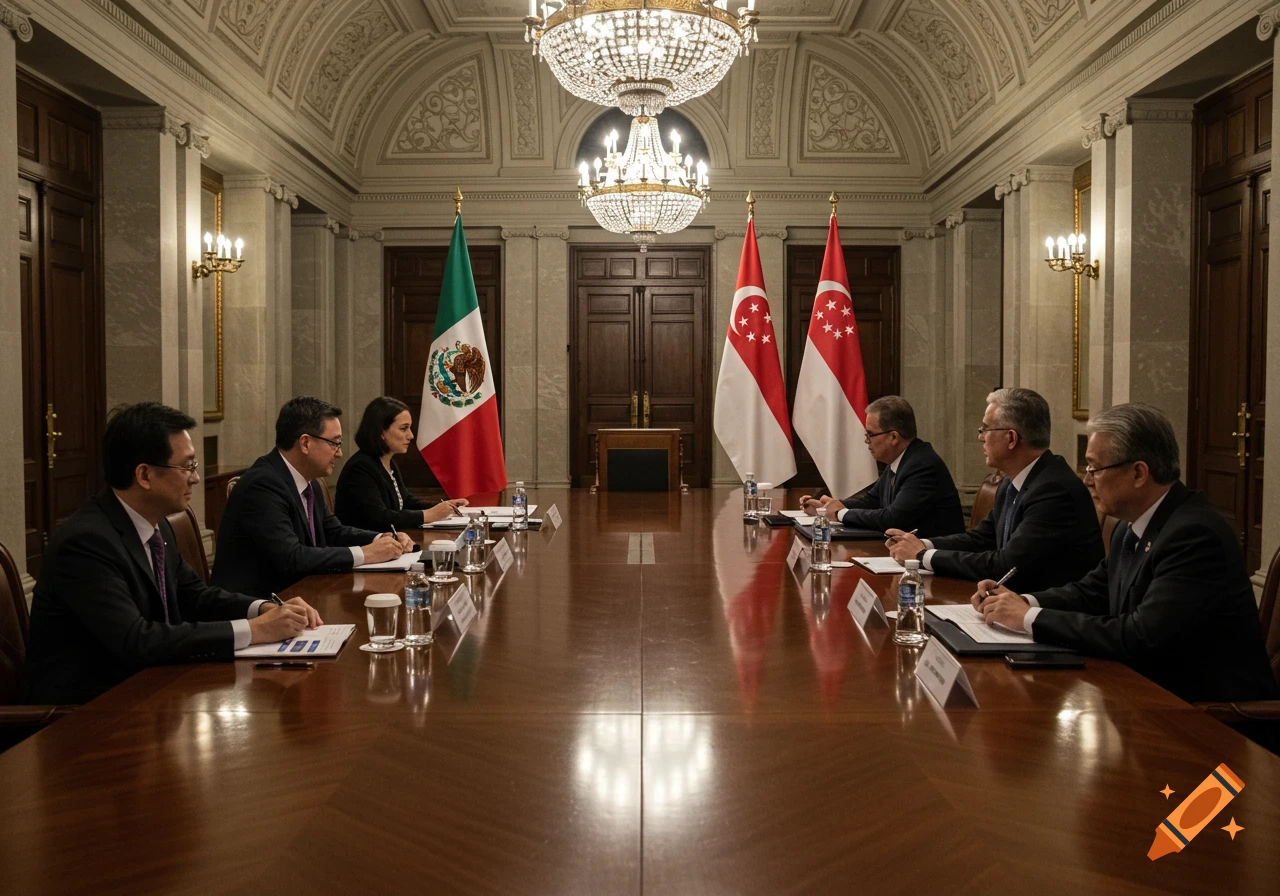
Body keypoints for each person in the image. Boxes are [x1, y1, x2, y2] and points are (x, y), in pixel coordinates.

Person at [973, 403, 1276, 704]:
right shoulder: (1131, 526)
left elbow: (1139, 637)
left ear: (1139, 473)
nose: (1087, 480)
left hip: (1207, 719)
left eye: (1094, 468)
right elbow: (1092, 591)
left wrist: (1029, 618)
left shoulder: (1194, 536)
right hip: (1144, 695)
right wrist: (1019, 601)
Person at [22, 403, 321, 705]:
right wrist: (253, 631)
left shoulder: (155, 525)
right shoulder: (86, 542)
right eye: (187, 466)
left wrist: (262, 609)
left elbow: (195, 597)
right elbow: (136, 640)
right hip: (87, 715)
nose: (195, 478)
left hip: (153, 690)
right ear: (144, 475)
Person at [886, 387, 1102, 591]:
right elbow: (981, 538)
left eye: (986, 429)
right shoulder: (1013, 481)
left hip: (1048, 611)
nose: (980, 437)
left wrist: (922, 555)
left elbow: (1006, 565)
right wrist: (919, 544)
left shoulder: (1054, 490)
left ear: (1011, 438)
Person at [212, 396, 414, 598]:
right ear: (306, 443)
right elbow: (291, 557)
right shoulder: (262, 484)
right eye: (334, 443)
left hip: (301, 594)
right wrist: (366, 553)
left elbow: (333, 531)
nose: (340, 453)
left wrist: (382, 538)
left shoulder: (308, 481)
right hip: (259, 605)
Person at [799, 395, 964, 538]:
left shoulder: (922, 465)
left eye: (870, 434)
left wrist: (839, 513)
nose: (866, 441)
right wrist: (828, 508)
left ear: (893, 437)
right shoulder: (901, 459)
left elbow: (893, 518)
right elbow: (872, 501)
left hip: (934, 562)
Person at [335, 396, 467, 531]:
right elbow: (378, 517)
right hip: (365, 545)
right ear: (381, 432)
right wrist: (428, 515)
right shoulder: (360, 468)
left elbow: (405, 502)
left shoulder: (387, 461)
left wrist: (444, 507)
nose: (411, 435)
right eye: (404, 428)